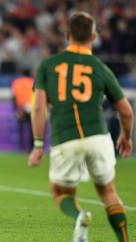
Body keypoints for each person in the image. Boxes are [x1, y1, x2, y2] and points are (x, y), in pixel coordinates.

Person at [28, 12, 133, 242]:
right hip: (98, 136)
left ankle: (80, 215)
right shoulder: (100, 67)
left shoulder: (48, 65)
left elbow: (38, 109)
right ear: (94, 36)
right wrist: (126, 137)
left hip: (66, 138)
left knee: (60, 192)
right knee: (108, 192)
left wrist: (37, 145)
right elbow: (126, 110)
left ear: (67, 35)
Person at [11, 69, 34, 152]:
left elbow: (14, 97)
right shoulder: (32, 81)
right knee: (32, 130)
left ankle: (21, 148)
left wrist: (16, 110)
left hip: (20, 108)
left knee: (21, 129)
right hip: (31, 107)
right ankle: (31, 148)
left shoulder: (16, 82)